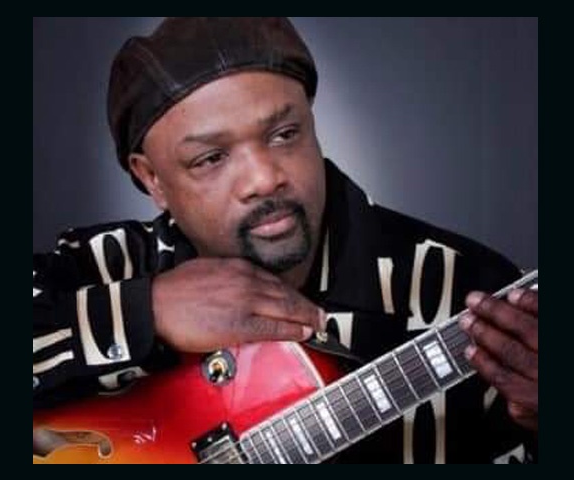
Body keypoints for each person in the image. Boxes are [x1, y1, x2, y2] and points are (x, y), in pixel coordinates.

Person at [33, 17, 538, 463]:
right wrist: (147, 311)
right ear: (151, 179)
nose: (264, 178)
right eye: (211, 158)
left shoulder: (472, 291)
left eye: (284, 134)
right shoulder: (102, 269)